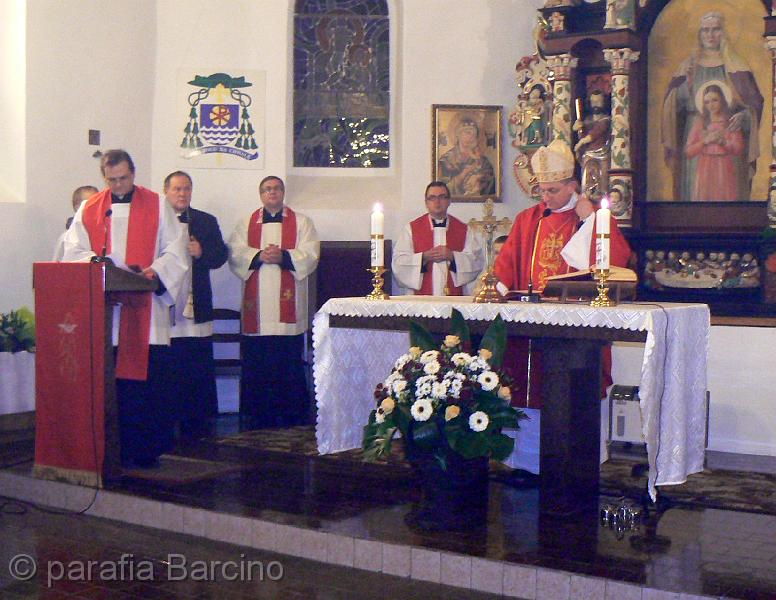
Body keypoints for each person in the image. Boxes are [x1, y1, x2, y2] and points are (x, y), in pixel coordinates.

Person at [493, 140, 631, 471]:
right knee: (527, 390)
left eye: (553, 190)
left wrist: (592, 222)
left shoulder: (594, 218)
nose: (546, 197)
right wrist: (494, 291)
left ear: (573, 186)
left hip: (577, 328)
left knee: (575, 393)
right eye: (541, 190)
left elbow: (616, 261)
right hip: (529, 329)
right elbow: (507, 262)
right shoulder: (528, 219)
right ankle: (526, 466)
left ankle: (577, 467)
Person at [63, 149, 188, 468]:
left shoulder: (158, 205)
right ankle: (112, 451)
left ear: (133, 172)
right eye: (112, 180)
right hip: (109, 317)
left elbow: (175, 251)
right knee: (114, 388)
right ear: (104, 177)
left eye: (124, 178)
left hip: (147, 314)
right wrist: (98, 267)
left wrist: (154, 273)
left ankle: (147, 453)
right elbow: (73, 250)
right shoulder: (91, 208)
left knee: (147, 389)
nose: (118, 185)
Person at [228, 176, 320, 429]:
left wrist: (284, 256)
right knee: (258, 362)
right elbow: (234, 253)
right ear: (261, 194)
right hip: (256, 310)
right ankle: (257, 414)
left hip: (287, 313)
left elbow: (311, 254)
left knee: (287, 361)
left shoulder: (302, 222)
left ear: (283, 192)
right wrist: (258, 255)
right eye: (267, 189)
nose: (272, 193)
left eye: (277, 188)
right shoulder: (245, 223)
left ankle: (291, 413)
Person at [661, 11, 763, 201]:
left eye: (715, 30)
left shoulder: (737, 65)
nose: (710, 35)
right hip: (696, 135)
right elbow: (672, 106)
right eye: (705, 30)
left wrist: (744, 116)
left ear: (723, 33)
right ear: (699, 35)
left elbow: (754, 103)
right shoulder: (688, 66)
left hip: (730, 139)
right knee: (696, 192)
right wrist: (687, 85)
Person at [163, 171, 229, 440]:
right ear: (166, 191)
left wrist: (202, 253)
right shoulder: (155, 221)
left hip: (196, 303)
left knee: (196, 364)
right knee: (168, 365)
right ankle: (166, 418)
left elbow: (220, 256)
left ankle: (198, 423)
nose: (182, 194)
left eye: (187, 189)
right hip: (165, 304)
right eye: (177, 189)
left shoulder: (205, 221)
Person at [392, 181, 484, 296]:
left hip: (454, 298)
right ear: (426, 202)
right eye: (432, 198)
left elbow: (476, 261)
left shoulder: (464, 230)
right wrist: (423, 257)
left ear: (449, 201)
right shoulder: (410, 229)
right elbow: (398, 264)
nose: (437, 202)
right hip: (421, 300)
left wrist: (453, 256)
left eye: (442, 197)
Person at [684, 82, 745, 201]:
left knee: (724, 199)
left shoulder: (730, 122)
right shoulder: (700, 123)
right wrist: (705, 141)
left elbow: (738, 148)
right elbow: (688, 152)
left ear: (722, 100)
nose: (711, 105)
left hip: (724, 167)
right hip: (705, 167)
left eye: (714, 100)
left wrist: (723, 142)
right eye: (707, 102)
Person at [438, 115, 496, 197]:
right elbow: (443, 189)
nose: (472, 136)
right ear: (458, 134)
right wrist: (465, 173)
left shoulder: (483, 161)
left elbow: (490, 186)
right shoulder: (446, 160)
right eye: (468, 132)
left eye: (474, 133)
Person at [573, 89, 611, 199]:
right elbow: (581, 131)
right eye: (593, 102)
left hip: (602, 153)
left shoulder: (605, 120)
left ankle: (601, 194)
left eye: (598, 101)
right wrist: (577, 126)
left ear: (604, 102)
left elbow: (594, 134)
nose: (596, 105)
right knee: (587, 175)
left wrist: (580, 143)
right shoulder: (587, 120)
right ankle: (587, 194)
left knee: (602, 176)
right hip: (588, 153)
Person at [52, 185, 99, 261]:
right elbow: (56, 268)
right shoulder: (65, 239)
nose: (95, 207)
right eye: (89, 203)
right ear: (77, 207)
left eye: (97, 202)